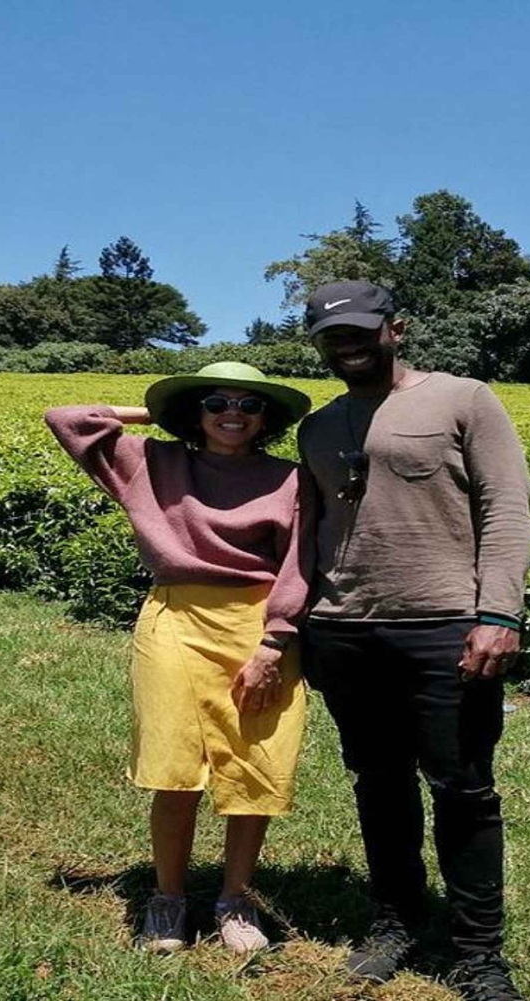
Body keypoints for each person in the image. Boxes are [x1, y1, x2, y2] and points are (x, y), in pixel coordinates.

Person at [295, 281, 530, 1001]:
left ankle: (478, 953)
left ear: (396, 330)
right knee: (378, 782)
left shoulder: (465, 399)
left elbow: (507, 506)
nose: (347, 346)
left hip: (445, 625)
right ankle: (395, 920)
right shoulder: (318, 426)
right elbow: (310, 528)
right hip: (344, 627)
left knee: (462, 788)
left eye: (360, 332)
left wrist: (500, 613)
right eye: (332, 337)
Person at [44, 361, 313, 955]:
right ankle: (168, 899)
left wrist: (275, 642)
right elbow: (66, 419)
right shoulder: (151, 462)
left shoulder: (290, 479)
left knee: (255, 763)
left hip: (257, 625)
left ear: (267, 417)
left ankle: (235, 899)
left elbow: (299, 564)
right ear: (195, 412)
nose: (233, 414)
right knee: (174, 764)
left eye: (249, 404)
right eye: (216, 403)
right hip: (175, 620)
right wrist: (160, 414)